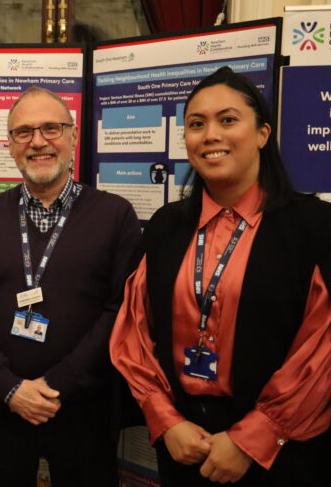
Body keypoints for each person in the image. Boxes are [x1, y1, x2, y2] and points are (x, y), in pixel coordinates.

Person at [110, 66, 331, 486]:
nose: (210, 135)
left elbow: (323, 350)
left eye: (228, 120)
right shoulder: (166, 226)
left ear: (262, 133)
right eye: (197, 124)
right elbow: (133, 331)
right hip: (183, 443)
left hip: (282, 452)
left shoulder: (314, 226)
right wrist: (165, 419)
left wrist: (256, 437)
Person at [0, 86, 142, 486]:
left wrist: (56, 385)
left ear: (73, 137)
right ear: (10, 145)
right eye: (24, 132)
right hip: (2, 409)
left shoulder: (115, 215)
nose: (38, 142)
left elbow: (121, 310)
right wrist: (10, 388)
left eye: (51, 128)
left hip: (84, 410)